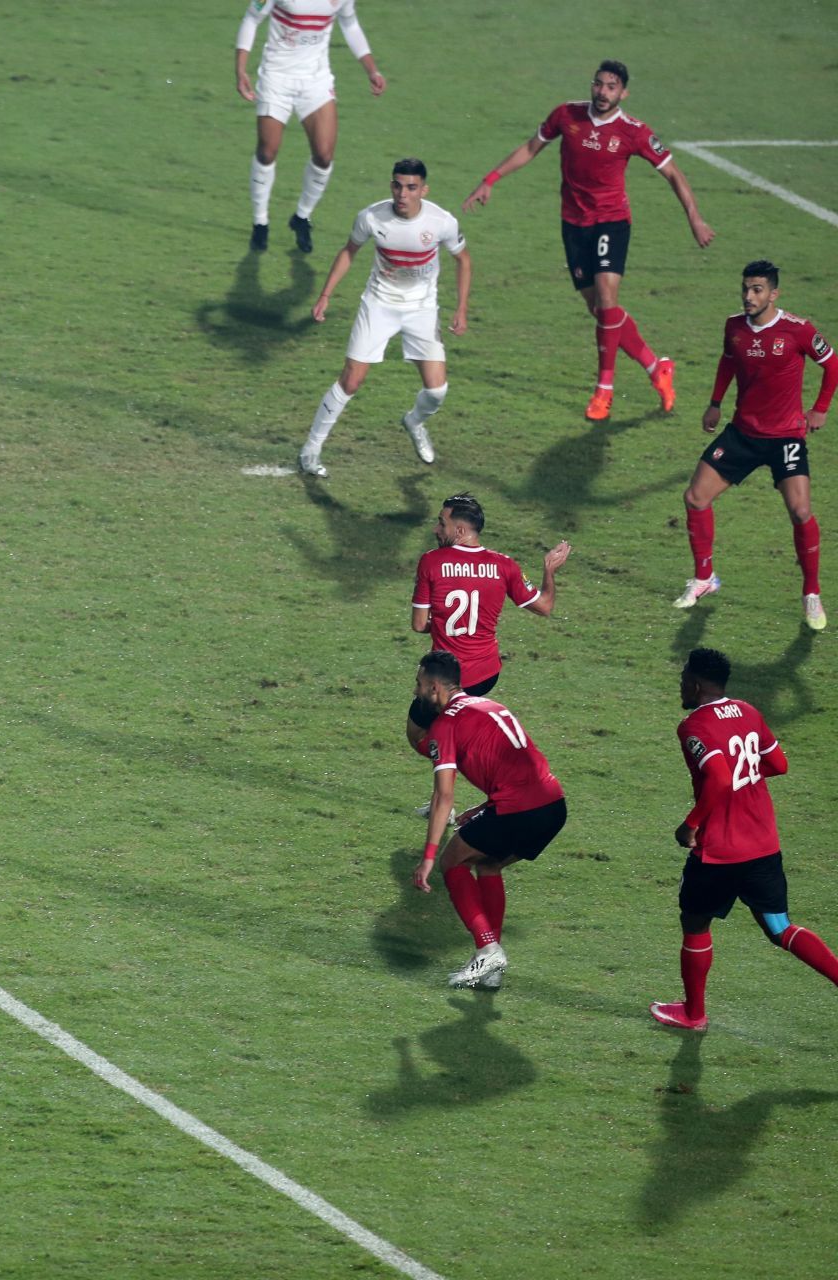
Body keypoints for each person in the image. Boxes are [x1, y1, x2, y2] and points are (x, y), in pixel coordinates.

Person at [463, 60, 713, 422]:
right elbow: (531, 147)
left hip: (611, 222)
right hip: (573, 224)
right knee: (600, 311)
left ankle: (603, 391)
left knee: (608, 300)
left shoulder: (634, 132)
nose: (602, 92)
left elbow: (673, 173)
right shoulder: (567, 114)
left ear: (623, 93)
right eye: (598, 84)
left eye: (611, 87)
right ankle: (656, 367)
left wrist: (695, 218)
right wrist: (491, 179)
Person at [651, 648, 838, 1030]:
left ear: (697, 684)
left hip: (718, 852)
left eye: (684, 676)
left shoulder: (694, 727)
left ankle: (693, 1013)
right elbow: (777, 764)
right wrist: (743, 776)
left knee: (696, 921)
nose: (680, 682)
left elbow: (719, 778)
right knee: (780, 928)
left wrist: (690, 824)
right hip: (763, 844)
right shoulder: (748, 711)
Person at [674, 261, 834, 628]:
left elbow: (833, 365)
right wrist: (715, 403)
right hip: (743, 433)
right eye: (746, 288)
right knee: (695, 497)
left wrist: (820, 409)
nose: (749, 295)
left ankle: (811, 593)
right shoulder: (734, 327)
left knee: (800, 510)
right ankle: (704, 579)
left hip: (785, 438)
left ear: (774, 294)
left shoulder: (798, 330)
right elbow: (728, 363)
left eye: (758, 289)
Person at [299, 159, 469, 476]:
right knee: (351, 379)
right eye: (397, 185)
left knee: (436, 391)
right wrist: (325, 295)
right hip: (379, 305)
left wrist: (461, 308)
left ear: (424, 189)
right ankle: (310, 450)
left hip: (421, 309)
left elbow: (463, 259)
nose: (402, 193)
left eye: (411, 187)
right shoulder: (372, 217)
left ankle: (414, 422)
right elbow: (349, 251)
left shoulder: (440, 222)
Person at [409, 651, 568, 990]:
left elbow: (443, 797)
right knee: (488, 863)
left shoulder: (444, 726)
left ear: (435, 687)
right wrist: (485, 808)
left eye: (419, 685)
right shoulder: (490, 705)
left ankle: (487, 947)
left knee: (453, 861)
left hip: (518, 809)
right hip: (553, 806)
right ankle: (491, 970)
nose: (416, 692)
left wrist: (427, 858)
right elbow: (519, 767)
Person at [407, 493, 570, 752]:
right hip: (486, 675)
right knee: (448, 722)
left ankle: (455, 762)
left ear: (459, 530)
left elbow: (418, 624)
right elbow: (545, 606)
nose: (436, 529)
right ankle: (458, 745)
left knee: (417, 734)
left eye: (441, 523)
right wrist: (549, 571)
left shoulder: (431, 561)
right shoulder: (505, 565)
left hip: (447, 676)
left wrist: (441, 623)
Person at [233, 0, 386, 253]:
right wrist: (240, 69)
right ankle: (260, 222)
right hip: (276, 77)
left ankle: (301, 217)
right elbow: (251, 18)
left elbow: (349, 23)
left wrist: (371, 69)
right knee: (267, 151)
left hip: (316, 79)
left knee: (324, 155)